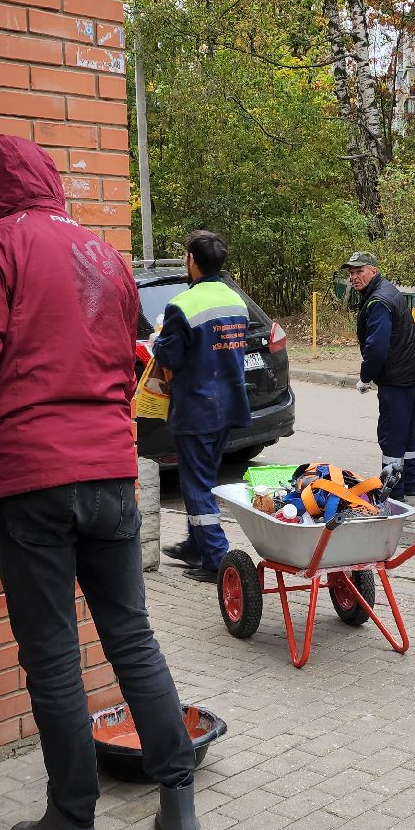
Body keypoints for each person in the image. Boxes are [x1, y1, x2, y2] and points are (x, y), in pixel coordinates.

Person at [0, 134, 201, 830]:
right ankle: (179, 804)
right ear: (46, 179)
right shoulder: (105, 255)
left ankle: (72, 825)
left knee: (53, 658)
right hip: (110, 473)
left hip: (31, 479)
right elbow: (127, 360)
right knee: (132, 638)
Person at [155, 231, 251, 584]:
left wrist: (157, 340)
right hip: (228, 405)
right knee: (203, 479)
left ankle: (215, 558)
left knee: (197, 486)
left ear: (192, 260)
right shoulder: (235, 300)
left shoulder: (182, 304)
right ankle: (195, 546)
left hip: (197, 407)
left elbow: (169, 356)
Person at [346, 251, 415, 497]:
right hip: (411, 373)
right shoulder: (388, 291)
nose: (354, 277)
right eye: (351, 273)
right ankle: (409, 482)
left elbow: (377, 348)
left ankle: (393, 492)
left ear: (373, 271)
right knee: (406, 433)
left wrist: (365, 377)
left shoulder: (378, 301)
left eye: (360, 271)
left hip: (396, 377)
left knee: (391, 436)